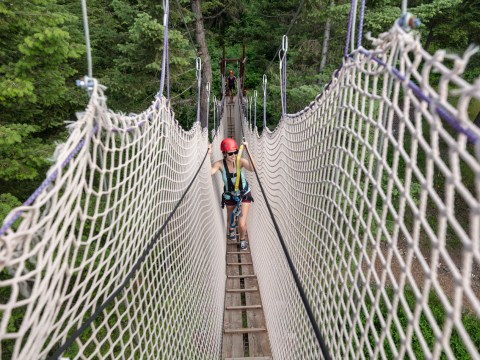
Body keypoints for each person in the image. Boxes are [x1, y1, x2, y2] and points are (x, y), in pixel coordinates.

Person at [209, 138, 254, 251]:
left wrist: (247, 150)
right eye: (230, 153)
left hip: (244, 193)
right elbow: (210, 172)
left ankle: (243, 239)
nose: (234, 155)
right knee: (230, 216)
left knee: (241, 222)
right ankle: (231, 229)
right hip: (230, 195)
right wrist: (208, 155)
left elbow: (253, 169)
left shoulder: (240, 161)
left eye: (236, 152)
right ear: (224, 154)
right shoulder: (219, 164)